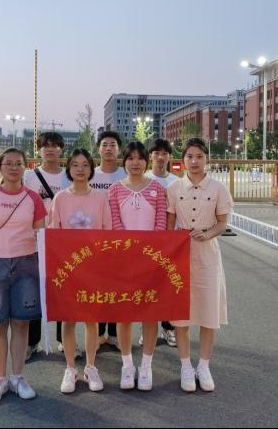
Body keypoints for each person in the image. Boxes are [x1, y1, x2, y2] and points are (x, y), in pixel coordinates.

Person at [0, 148, 47, 404]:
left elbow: (41, 236)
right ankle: (0, 378)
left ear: (25, 167)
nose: (14, 168)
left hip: (27, 265)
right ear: (0, 167)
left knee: (21, 323)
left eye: (18, 163)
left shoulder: (33, 198)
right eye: (8, 163)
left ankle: (18, 377)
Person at [166, 138, 233, 393]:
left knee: (208, 312)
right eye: (189, 157)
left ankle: (204, 365)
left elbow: (222, 222)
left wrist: (208, 234)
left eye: (199, 156)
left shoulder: (218, 188)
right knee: (181, 315)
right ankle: (185, 365)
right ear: (183, 160)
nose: (194, 161)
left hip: (207, 255)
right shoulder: (174, 188)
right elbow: (169, 225)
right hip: (180, 254)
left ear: (207, 159)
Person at [49, 149, 113, 393]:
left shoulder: (100, 198)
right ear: (68, 168)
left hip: (93, 267)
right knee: (68, 319)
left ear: (91, 169)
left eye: (85, 164)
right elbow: (54, 233)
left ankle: (90, 367)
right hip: (68, 268)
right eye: (75, 164)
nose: (80, 169)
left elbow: (107, 232)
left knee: (91, 318)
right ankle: (70, 368)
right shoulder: (60, 199)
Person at [108, 141, 167, 391]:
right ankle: (127, 365)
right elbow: (115, 224)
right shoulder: (114, 190)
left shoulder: (158, 189)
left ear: (146, 161)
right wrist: (129, 253)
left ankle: (146, 366)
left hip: (151, 261)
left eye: (140, 158)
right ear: (124, 162)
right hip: (123, 261)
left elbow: (161, 223)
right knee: (124, 315)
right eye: (130, 158)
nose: (135, 162)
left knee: (149, 314)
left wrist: (148, 255)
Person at [22, 132, 80, 361]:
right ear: (39, 150)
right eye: (45, 146)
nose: (50, 149)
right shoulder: (29, 176)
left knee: (63, 291)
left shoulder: (69, 176)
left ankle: (65, 341)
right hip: (34, 241)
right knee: (34, 291)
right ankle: (31, 342)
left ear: (61, 149)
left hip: (64, 243)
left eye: (55, 145)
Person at [89, 131, 126, 348]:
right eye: (105, 144)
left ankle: (114, 334)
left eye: (113, 144)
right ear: (98, 149)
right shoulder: (90, 174)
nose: (109, 148)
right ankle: (98, 332)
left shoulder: (125, 174)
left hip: (120, 240)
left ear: (119, 149)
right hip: (95, 240)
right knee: (98, 287)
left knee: (118, 287)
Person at [144, 138, 180, 348]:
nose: (160, 157)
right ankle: (147, 329)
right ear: (150, 156)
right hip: (148, 242)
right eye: (156, 153)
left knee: (168, 287)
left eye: (164, 153)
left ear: (169, 157)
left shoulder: (176, 182)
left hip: (170, 241)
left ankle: (168, 327)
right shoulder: (144, 179)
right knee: (148, 286)